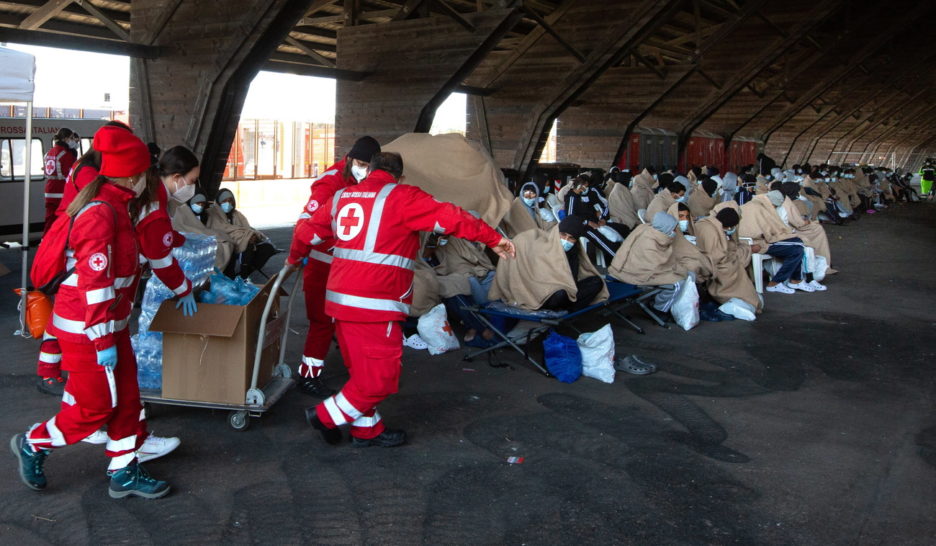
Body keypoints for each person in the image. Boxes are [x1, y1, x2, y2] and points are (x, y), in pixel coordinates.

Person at [287, 152, 515, 448]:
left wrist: (293, 259)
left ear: (368, 170)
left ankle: (366, 430)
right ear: (400, 176)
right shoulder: (402, 197)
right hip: (375, 305)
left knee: (362, 372)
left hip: (340, 303)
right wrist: (494, 239)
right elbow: (452, 217)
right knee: (380, 378)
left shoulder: (342, 196)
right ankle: (325, 416)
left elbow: (306, 232)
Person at [12, 126, 171, 499]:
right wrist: (102, 338)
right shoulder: (101, 213)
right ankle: (34, 443)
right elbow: (95, 283)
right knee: (93, 407)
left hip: (105, 325)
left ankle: (123, 469)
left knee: (128, 399)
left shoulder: (111, 206)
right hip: (90, 329)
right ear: (134, 174)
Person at [293, 136, 380, 397]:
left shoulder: (359, 180)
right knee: (321, 322)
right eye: (361, 163)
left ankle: (354, 365)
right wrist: (295, 257)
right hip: (323, 265)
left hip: (344, 267)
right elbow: (304, 227)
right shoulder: (331, 182)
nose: (364, 169)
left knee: (339, 320)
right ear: (351, 159)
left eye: (368, 165)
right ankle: (308, 376)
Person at [488, 217, 607, 312]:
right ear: (557, 232)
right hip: (544, 293)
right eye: (563, 234)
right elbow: (535, 279)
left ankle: (568, 310)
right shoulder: (543, 246)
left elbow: (573, 280)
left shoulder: (573, 253)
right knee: (560, 294)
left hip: (566, 292)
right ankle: (565, 309)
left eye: (571, 238)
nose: (566, 240)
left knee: (596, 282)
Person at [608, 212, 694, 316]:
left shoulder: (649, 230)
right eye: (674, 229)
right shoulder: (649, 241)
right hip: (634, 274)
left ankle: (660, 302)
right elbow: (655, 267)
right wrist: (680, 270)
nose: (675, 231)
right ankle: (658, 309)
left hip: (633, 269)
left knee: (686, 272)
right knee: (678, 283)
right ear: (665, 227)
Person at [739, 191, 813, 294]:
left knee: (797, 247)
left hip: (750, 241)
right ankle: (779, 282)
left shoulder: (751, 204)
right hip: (758, 243)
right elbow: (769, 231)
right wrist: (786, 233)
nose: (774, 208)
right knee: (798, 245)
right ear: (771, 202)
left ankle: (795, 280)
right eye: (774, 206)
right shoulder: (761, 208)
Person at [693, 206, 761, 312]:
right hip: (710, 262)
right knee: (734, 266)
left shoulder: (706, 223)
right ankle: (742, 297)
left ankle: (747, 299)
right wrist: (737, 254)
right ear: (729, 226)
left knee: (737, 256)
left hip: (705, 258)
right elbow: (717, 256)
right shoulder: (712, 231)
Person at [207, 189, 277, 279]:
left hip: (242, 244)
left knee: (267, 248)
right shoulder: (213, 214)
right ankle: (242, 275)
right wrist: (246, 236)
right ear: (219, 202)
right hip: (226, 244)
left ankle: (244, 273)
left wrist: (252, 235)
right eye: (224, 201)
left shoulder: (237, 214)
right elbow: (222, 230)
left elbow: (247, 229)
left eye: (230, 200)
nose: (228, 203)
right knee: (246, 245)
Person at [779, 182, 835, 278]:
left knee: (816, 228)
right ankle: (821, 262)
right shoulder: (792, 203)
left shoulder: (783, 201)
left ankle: (822, 262)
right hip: (791, 231)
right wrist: (809, 223)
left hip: (785, 229)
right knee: (818, 230)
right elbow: (799, 223)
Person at [42, 128, 79, 234]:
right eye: (71, 138)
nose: (73, 140)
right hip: (61, 191)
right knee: (63, 220)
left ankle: (45, 240)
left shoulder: (49, 152)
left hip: (49, 191)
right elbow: (71, 173)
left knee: (49, 219)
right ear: (65, 138)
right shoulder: (66, 154)